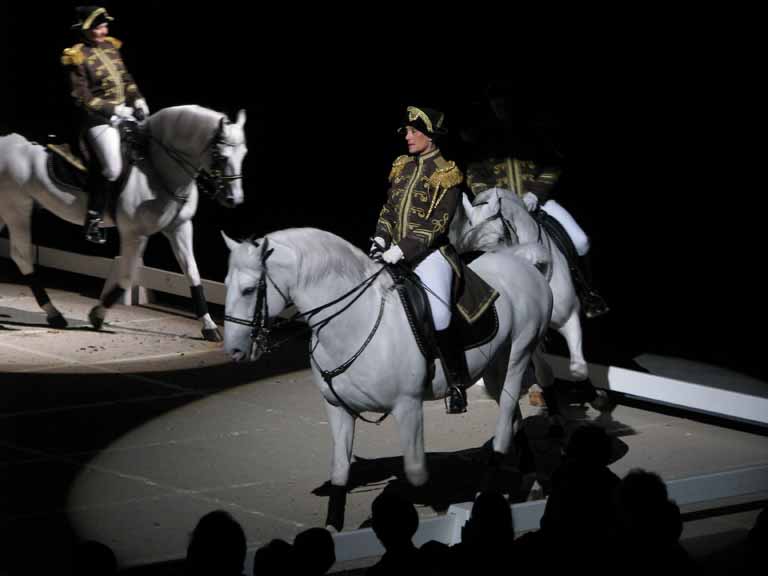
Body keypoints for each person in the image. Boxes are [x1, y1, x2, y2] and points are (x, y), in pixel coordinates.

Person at [371, 106, 473, 414]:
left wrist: (402, 249)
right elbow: (389, 210)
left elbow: (438, 223)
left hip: (431, 255)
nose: (408, 137)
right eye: (407, 131)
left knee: (440, 314)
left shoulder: (447, 172)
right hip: (392, 250)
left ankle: (457, 383)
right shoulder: (402, 166)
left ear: (430, 135)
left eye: (414, 132)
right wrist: (379, 237)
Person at [466, 156, 610, 318]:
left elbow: (553, 166)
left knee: (580, 240)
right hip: (500, 209)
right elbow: (474, 173)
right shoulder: (484, 143)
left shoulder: (534, 140)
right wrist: (493, 197)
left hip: (538, 203)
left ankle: (587, 292)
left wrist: (536, 193)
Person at [61, 6, 149, 244]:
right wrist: (115, 110)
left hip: (125, 112)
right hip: (97, 120)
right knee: (111, 168)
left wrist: (138, 98)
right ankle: (94, 218)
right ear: (87, 29)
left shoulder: (111, 47)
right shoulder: (76, 55)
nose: (103, 31)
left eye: (104, 26)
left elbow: (126, 79)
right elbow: (81, 97)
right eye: (99, 27)